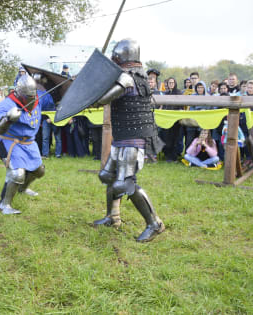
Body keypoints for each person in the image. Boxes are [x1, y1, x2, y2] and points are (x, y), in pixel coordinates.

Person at [92, 39, 165, 242]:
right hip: (123, 137)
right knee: (107, 176)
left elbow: (102, 99)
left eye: (115, 57)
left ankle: (154, 224)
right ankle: (112, 217)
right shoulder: (138, 76)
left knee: (125, 184)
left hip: (133, 139)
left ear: (122, 57)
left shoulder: (127, 78)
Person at [0, 74, 45, 215]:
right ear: (19, 93)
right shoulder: (7, 104)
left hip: (29, 142)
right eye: (27, 96)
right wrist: (8, 119)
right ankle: (5, 205)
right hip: (9, 140)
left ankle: (23, 188)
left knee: (39, 170)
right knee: (17, 173)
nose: (30, 99)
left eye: (32, 95)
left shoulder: (38, 100)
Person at [33, 73, 61, 158]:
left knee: (56, 137)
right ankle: (45, 154)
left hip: (51, 117)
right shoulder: (39, 93)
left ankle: (57, 154)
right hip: (44, 118)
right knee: (44, 137)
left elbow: (50, 105)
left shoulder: (46, 93)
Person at [162, 77, 182, 162]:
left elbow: (181, 106)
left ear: (175, 83)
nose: (171, 84)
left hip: (176, 120)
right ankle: (168, 156)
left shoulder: (178, 93)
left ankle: (174, 157)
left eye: (172, 83)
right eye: (169, 83)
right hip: (167, 119)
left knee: (175, 138)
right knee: (167, 138)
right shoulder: (166, 94)